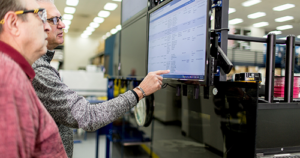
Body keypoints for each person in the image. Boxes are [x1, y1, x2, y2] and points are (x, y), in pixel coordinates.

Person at [32, 0, 170, 157]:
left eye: (61, 18)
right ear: (35, 24)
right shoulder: (38, 70)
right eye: (55, 19)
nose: (62, 25)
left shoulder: (40, 65)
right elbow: (88, 116)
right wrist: (140, 91)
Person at [0, 0, 68, 157]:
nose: (46, 26)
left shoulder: (15, 73)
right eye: (40, 16)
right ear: (13, 23)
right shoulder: (7, 77)